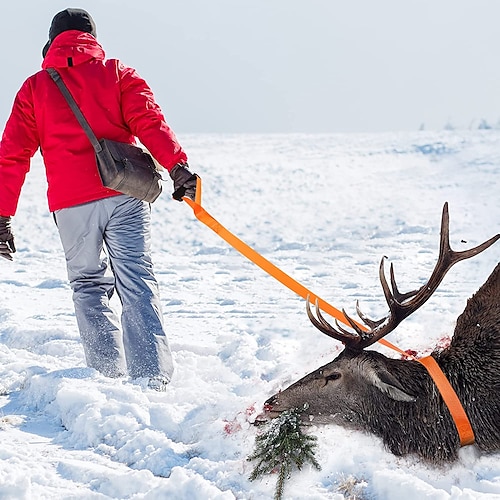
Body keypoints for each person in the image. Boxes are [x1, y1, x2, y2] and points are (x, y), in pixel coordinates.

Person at [0, 8, 197, 391]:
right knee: (137, 280)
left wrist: (2, 216)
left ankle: (106, 377)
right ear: (92, 36)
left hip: (71, 204)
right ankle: (151, 377)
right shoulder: (118, 74)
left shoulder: (35, 88)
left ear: (52, 40)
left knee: (88, 285)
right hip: (124, 192)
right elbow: (149, 122)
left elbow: (12, 156)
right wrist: (177, 166)